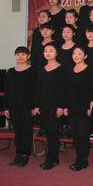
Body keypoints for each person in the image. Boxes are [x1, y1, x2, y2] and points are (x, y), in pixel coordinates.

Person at [33, 42, 67, 170]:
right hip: (44, 104)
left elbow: (64, 89)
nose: (48, 53)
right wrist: (36, 105)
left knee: (53, 132)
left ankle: (50, 159)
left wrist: (61, 106)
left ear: (56, 53)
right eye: (46, 51)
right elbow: (38, 88)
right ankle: (54, 158)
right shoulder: (41, 68)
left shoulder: (62, 68)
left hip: (56, 105)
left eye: (51, 51)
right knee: (48, 132)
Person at [3, 46, 36, 167]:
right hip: (13, 106)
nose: (20, 56)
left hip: (28, 106)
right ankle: (18, 154)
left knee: (26, 131)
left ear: (28, 56)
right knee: (18, 131)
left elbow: (36, 90)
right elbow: (7, 90)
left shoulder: (33, 71)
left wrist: (35, 106)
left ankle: (25, 155)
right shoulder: (10, 72)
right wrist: (6, 108)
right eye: (18, 54)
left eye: (23, 54)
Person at [65, 46, 93, 171]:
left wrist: (91, 106)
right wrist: (65, 106)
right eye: (74, 54)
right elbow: (67, 90)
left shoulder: (89, 70)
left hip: (84, 107)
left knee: (83, 135)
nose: (76, 56)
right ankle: (78, 158)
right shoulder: (70, 70)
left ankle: (83, 160)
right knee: (75, 135)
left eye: (79, 54)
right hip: (72, 106)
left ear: (85, 56)